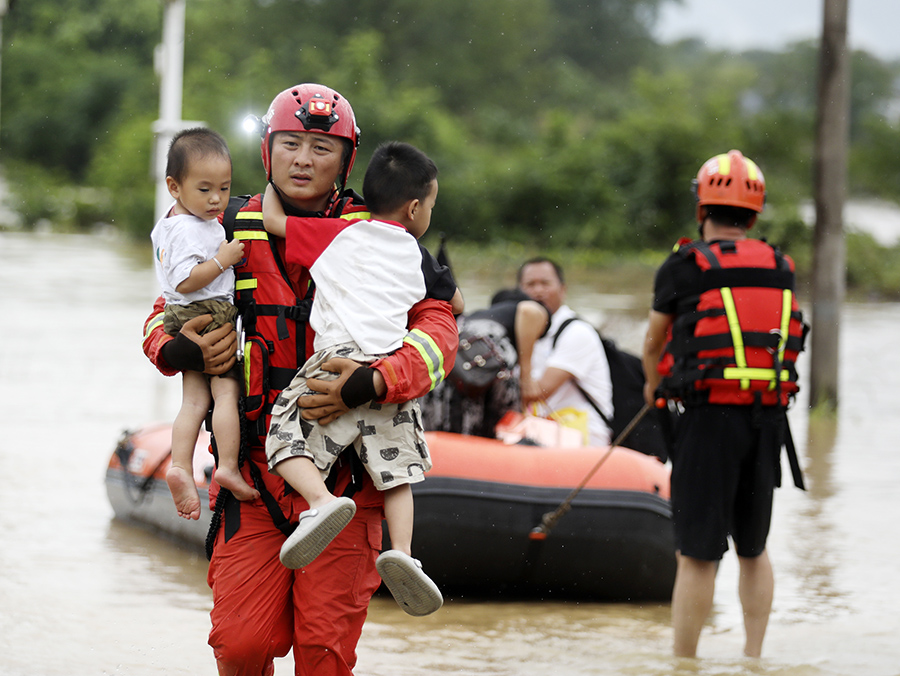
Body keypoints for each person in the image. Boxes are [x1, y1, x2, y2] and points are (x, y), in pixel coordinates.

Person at [141, 84, 459, 675]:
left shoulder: (382, 234)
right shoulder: (220, 223)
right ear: (268, 150)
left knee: (325, 655)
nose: (304, 160)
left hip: (351, 482)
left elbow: (439, 331)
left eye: (321, 147)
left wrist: (373, 382)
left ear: (347, 159)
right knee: (241, 646)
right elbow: (163, 309)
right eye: (290, 144)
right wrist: (173, 345)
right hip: (255, 479)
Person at [260, 140, 461, 616]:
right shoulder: (420, 257)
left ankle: (320, 501)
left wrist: (272, 182)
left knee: (283, 438)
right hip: (387, 367)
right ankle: (405, 553)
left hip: (335, 361)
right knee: (398, 474)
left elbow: (273, 222)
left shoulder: (335, 235)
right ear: (414, 208)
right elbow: (451, 305)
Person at [640, 149, 807, 659]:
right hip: (767, 421)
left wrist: (653, 388)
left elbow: (653, 343)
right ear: (754, 216)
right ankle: (753, 659)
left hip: (707, 421)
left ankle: (684, 663)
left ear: (702, 208)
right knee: (753, 551)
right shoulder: (781, 266)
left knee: (697, 556)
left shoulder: (682, 266)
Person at [150, 127, 259, 520]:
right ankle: (227, 466)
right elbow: (184, 279)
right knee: (225, 394)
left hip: (183, 317)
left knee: (194, 401)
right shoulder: (187, 228)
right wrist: (224, 259)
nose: (216, 200)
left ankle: (180, 465)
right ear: (174, 187)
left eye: (225, 189)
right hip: (208, 312)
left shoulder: (172, 221)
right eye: (205, 189)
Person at [420, 289, 549, 438]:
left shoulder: (475, 316)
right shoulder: (527, 310)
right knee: (501, 428)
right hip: (488, 359)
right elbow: (529, 311)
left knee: (443, 425)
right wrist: (527, 380)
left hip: (445, 359)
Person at [517, 258, 614, 447]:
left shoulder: (577, 332)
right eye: (530, 284)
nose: (537, 291)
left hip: (583, 435)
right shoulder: (521, 329)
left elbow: (536, 393)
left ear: (563, 290)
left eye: (545, 283)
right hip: (544, 429)